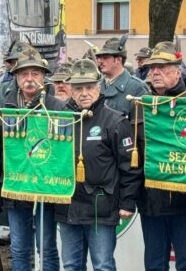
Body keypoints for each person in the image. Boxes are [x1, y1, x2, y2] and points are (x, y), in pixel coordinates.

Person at [56, 58, 141, 271]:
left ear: (99, 86)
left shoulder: (115, 121)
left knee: (103, 265)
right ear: (71, 90)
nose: (84, 92)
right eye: (78, 88)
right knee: (71, 265)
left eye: (89, 87)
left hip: (100, 207)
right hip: (68, 205)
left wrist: (127, 202)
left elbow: (129, 166)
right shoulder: (60, 120)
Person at [0, 49, 64, 271]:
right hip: (15, 188)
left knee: (47, 248)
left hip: (46, 190)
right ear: (16, 78)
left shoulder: (58, 108)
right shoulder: (4, 108)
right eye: (24, 74)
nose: (30, 79)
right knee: (19, 249)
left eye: (35, 74)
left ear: (44, 77)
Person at [136, 42, 186, 271]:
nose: (155, 72)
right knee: (155, 264)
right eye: (152, 67)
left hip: (183, 203)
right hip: (152, 201)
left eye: (162, 67)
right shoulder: (139, 105)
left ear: (178, 71)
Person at [96, 37, 148, 120]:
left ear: (118, 60)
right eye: (99, 57)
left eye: (105, 57)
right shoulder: (95, 86)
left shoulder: (137, 88)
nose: (100, 61)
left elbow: (139, 127)